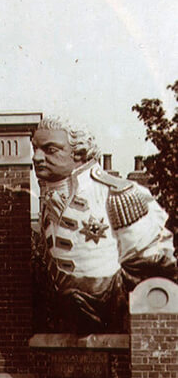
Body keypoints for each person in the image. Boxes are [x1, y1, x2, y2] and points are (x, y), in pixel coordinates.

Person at [32, 116, 177, 334]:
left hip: (108, 306)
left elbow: (150, 261)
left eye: (49, 149)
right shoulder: (49, 197)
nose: (36, 157)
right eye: (35, 148)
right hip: (65, 310)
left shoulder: (117, 193)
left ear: (78, 153)